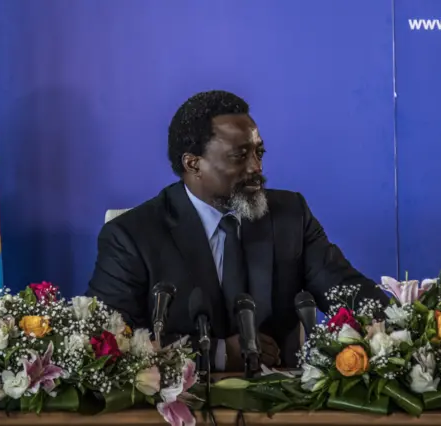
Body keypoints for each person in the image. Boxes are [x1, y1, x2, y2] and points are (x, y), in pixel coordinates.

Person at [86, 90, 388, 371]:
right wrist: (216, 353)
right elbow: (107, 341)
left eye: (259, 153)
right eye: (240, 156)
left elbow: (348, 292)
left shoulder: (289, 215)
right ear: (193, 164)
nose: (256, 167)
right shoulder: (131, 236)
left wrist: (411, 324)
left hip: (282, 405)